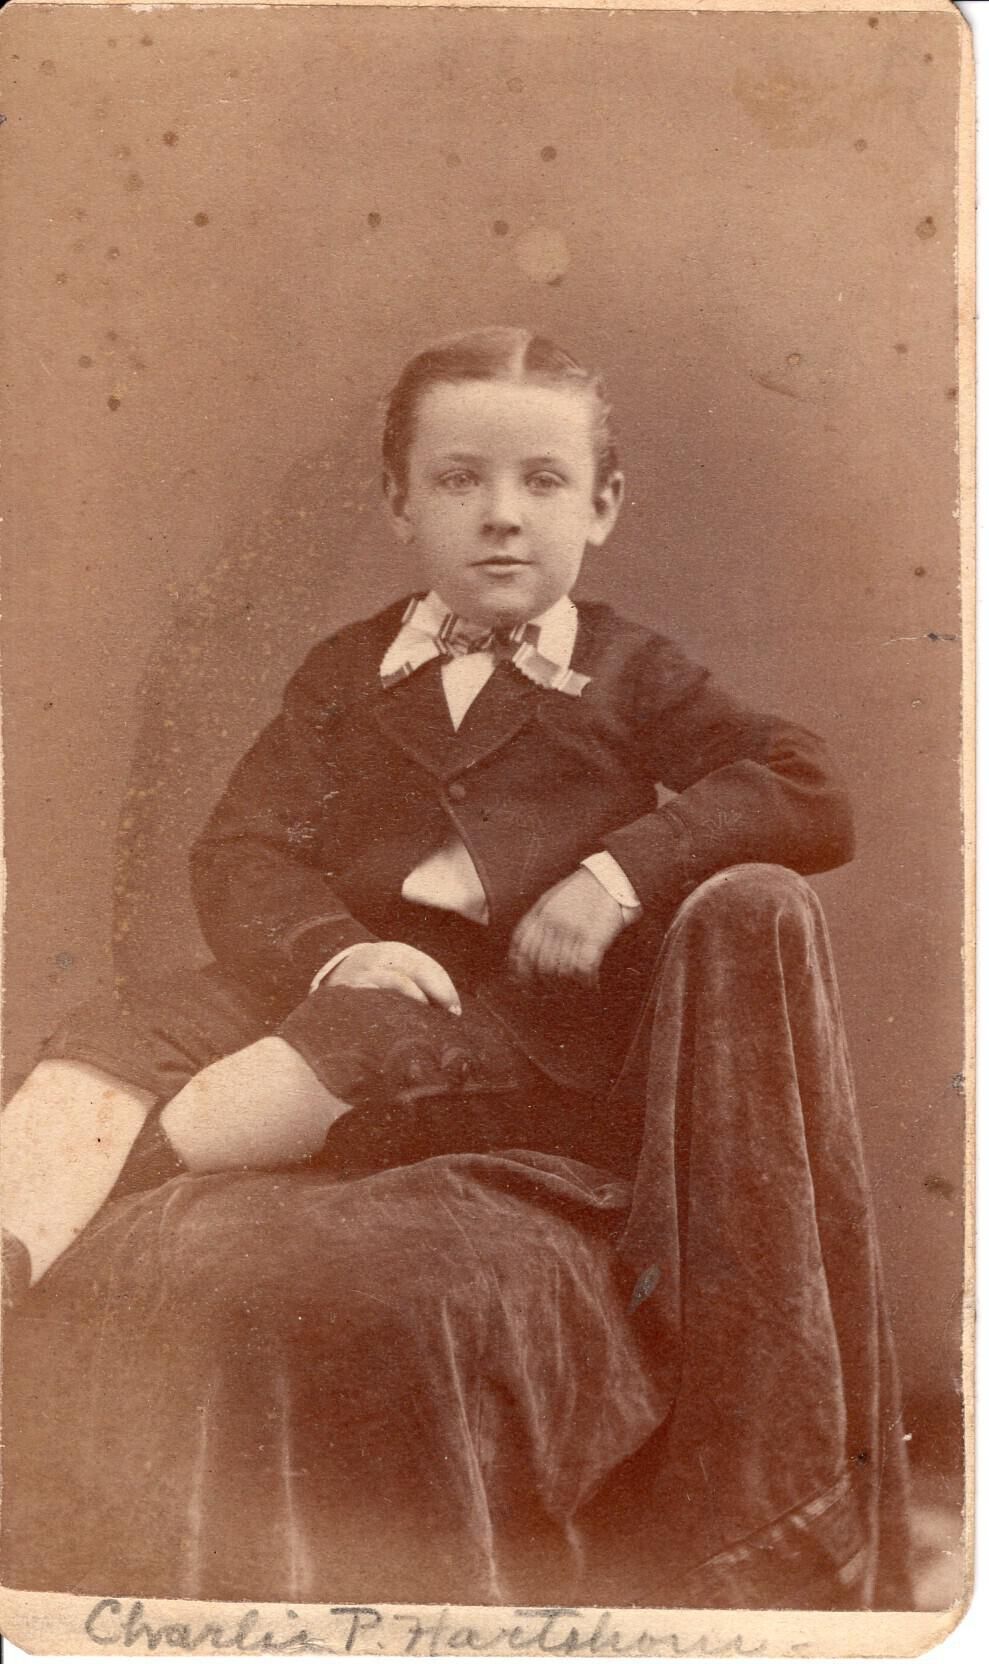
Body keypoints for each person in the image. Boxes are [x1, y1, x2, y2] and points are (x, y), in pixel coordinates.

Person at [0, 326, 912, 1608]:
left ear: (602, 506)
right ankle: (18, 1237)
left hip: (515, 1019)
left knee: (318, 1058)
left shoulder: (630, 672)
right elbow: (240, 847)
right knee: (116, 1028)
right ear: (398, 503)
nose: (500, 516)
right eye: (457, 479)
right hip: (347, 973)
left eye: (542, 481)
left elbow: (805, 785)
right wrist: (334, 947)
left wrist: (616, 874)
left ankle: (138, 1171)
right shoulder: (345, 670)